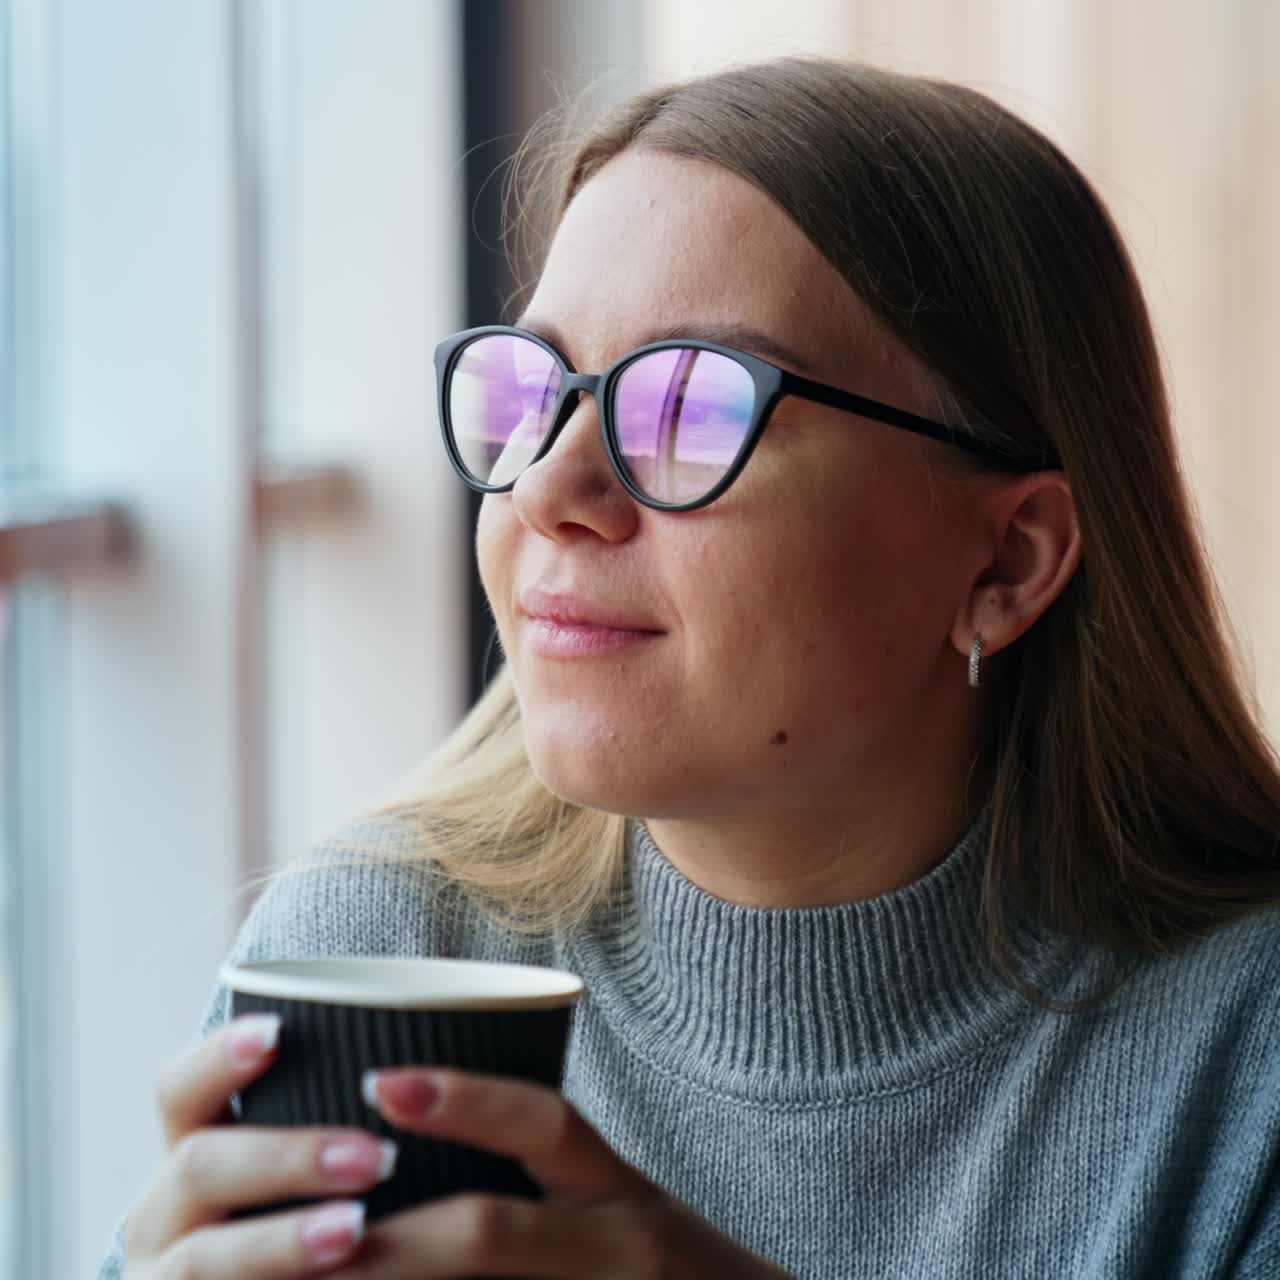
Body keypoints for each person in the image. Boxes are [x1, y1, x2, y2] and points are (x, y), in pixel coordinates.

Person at [101, 56, 1280, 1279]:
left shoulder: (1245, 1058)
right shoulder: (383, 947)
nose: (549, 488)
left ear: (1006, 561)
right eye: (534, 389)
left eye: (693, 409)